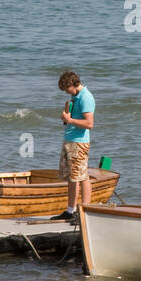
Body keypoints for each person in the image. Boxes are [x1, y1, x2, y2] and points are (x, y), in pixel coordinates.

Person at [57, 69, 95, 222]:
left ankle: (84, 211)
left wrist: (70, 120)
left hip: (79, 142)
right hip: (70, 140)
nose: (66, 92)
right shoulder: (75, 96)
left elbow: (89, 123)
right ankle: (70, 210)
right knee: (72, 177)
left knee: (82, 177)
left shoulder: (86, 97)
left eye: (67, 88)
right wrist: (66, 118)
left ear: (74, 84)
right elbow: (72, 118)